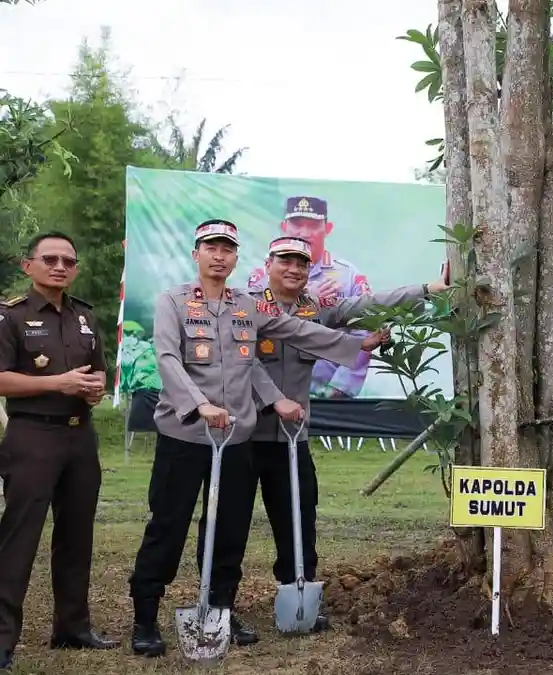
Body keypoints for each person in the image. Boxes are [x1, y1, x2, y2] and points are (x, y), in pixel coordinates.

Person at [127, 220, 390, 658]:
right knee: (168, 525)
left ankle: (219, 611)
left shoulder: (246, 306)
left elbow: (298, 331)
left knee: (230, 528)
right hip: (185, 434)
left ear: (235, 258)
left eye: (227, 249)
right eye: (211, 247)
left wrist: (356, 345)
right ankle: (146, 618)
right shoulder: (172, 301)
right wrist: (199, 405)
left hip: (233, 439)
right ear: (197, 254)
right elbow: (168, 358)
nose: (219, 255)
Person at [248, 236, 450, 632]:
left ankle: (298, 594)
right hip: (243, 433)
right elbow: (245, 366)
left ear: (310, 270)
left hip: (291, 437)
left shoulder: (314, 310)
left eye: (301, 263)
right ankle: (222, 602)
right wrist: (274, 400)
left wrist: (428, 290)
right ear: (269, 264)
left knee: (300, 517)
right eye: (285, 261)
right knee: (232, 522)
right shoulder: (245, 306)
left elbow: (366, 305)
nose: (293, 269)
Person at [0, 232, 118, 670]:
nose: (60, 266)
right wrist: (58, 384)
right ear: (27, 265)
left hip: (79, 437)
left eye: (69, 261)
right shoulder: (9, 316)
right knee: (19, 538)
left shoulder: (84, 316)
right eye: (49, 259)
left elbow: (100, 371)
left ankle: (72, 627)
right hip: (32, 437)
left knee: (76, 536)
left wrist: (94, 390)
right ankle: (2, 638)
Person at [247, 196, 374, 399]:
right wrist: (304, 297)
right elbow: (252, 327)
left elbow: (363, 331)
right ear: (284, 227)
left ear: (328, 228)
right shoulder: (261, 276)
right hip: (271, 391)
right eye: (297, 224)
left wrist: (341, 388)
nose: (304, 233)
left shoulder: (348, 275)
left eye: (313, 225)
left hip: (328, 391)